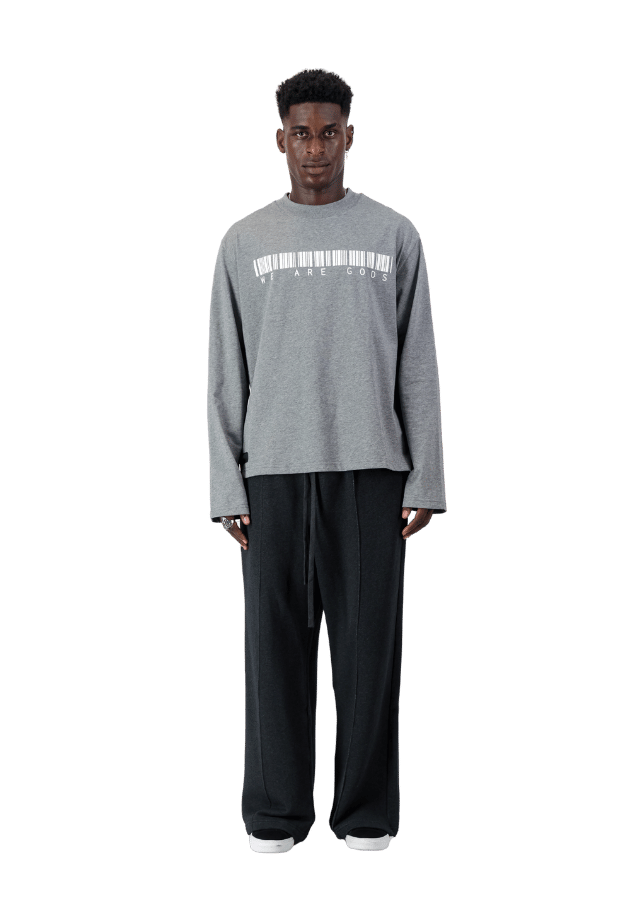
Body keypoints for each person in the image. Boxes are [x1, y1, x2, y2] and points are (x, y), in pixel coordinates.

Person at [206, 67, 447, 855]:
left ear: (351, 137)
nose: (316, 149)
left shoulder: (394, 234)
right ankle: (276, 813)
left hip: (373, 472)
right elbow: (225, 370)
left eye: (330, 133)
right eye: (302, 134)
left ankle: (366, 812)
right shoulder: (244, 241)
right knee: (273, 652)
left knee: (369, 650)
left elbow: (419, 364)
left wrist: (426, 475)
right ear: (280, 140)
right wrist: (225, 483)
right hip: (271, 475)